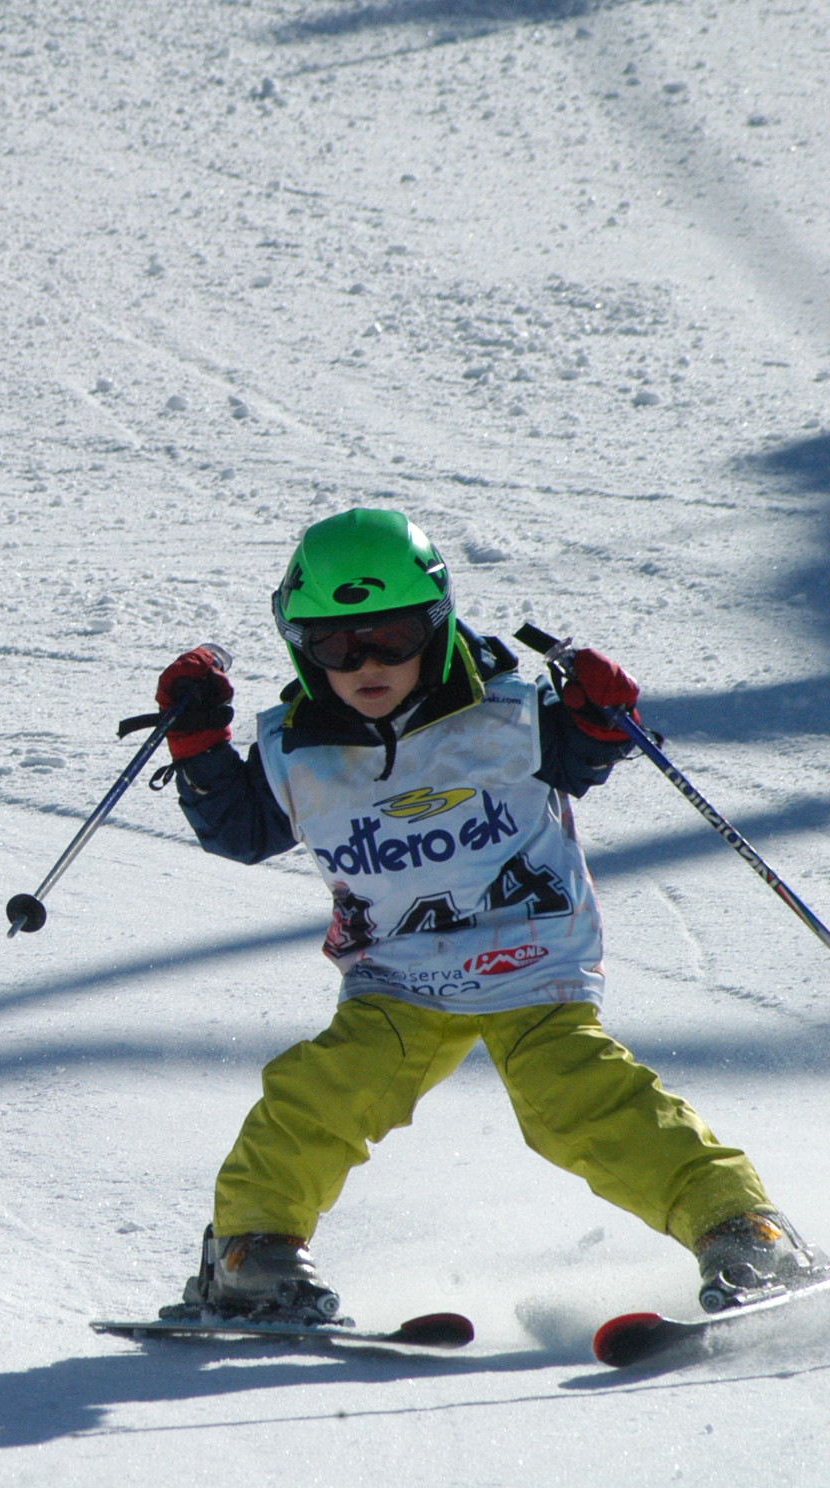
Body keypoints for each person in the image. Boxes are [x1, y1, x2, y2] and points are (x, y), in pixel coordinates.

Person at [151, 506, 822, 1323]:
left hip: (529, 964)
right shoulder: (298, 746)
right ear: (300, 643)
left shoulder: (508, 712)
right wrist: (198, 746)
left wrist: (600, 709)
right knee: (319, 1096)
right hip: (397, 979)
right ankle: (250, 1251)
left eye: (391, 636)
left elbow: (588, 746)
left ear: (437, 627)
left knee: (587, 1105)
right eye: (333, 642)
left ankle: (743, 1230)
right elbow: (242, 832)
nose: (365, 660)